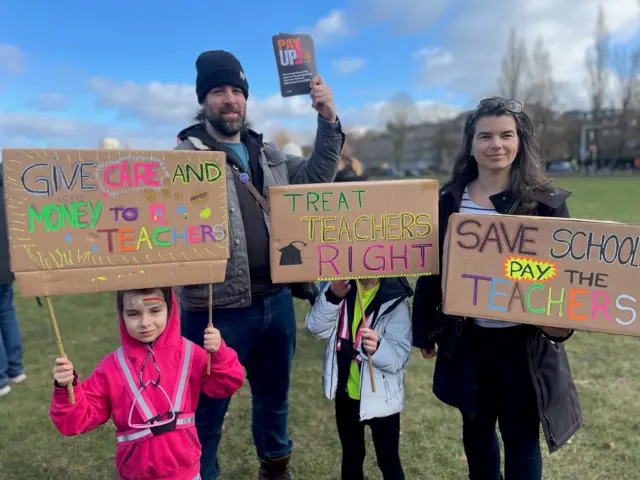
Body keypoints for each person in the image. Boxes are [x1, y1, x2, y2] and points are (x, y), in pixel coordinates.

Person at [174, 50, 344, 479]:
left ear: (246, 99)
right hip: (214, 311)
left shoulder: (266, 153)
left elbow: (315, 181)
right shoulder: (182, 161)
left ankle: (275, 468)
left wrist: (327, 120)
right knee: (207, 408)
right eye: (218, 91)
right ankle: (200, 473)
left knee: (274, 399)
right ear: (204, 100)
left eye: (236, 91)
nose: (229, 100)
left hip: (276, 302)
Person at [411, 97, 582, 480]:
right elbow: (431, 269)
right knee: (476, 429)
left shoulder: (545, 205)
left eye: (506, 135)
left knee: (521, 438)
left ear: (520, 141)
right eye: (485, 136)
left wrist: (561, 324)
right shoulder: (448, 200)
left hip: (523, 346)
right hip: (468, 340)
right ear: (470, 144)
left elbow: (564, 279)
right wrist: (425, 330)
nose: (496, 145)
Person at [49, 287, 244, 480]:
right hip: (136, 474)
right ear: (121, 315)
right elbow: (74, 421)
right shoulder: (111, 368)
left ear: (170, 308)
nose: (145, 323)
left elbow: (226, 384)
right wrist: (66, 388)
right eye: (133, 314)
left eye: (155, 311)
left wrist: (219, 353)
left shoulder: (189, 354)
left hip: (186, 471)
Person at [306, 279, 412, 480]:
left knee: (388, 459)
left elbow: (400, 355)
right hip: (346, 394)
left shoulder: (396, 299)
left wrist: (378, 348)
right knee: (351, 456)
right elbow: (316, 328)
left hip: (382, 399)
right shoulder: (339, 287)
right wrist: (332, 297)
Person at [0, 168, 26, 397]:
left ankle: (2, 378)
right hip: (7, 262)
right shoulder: (7, 180)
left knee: (6, 313)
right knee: (6, 313)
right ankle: (15, 369)